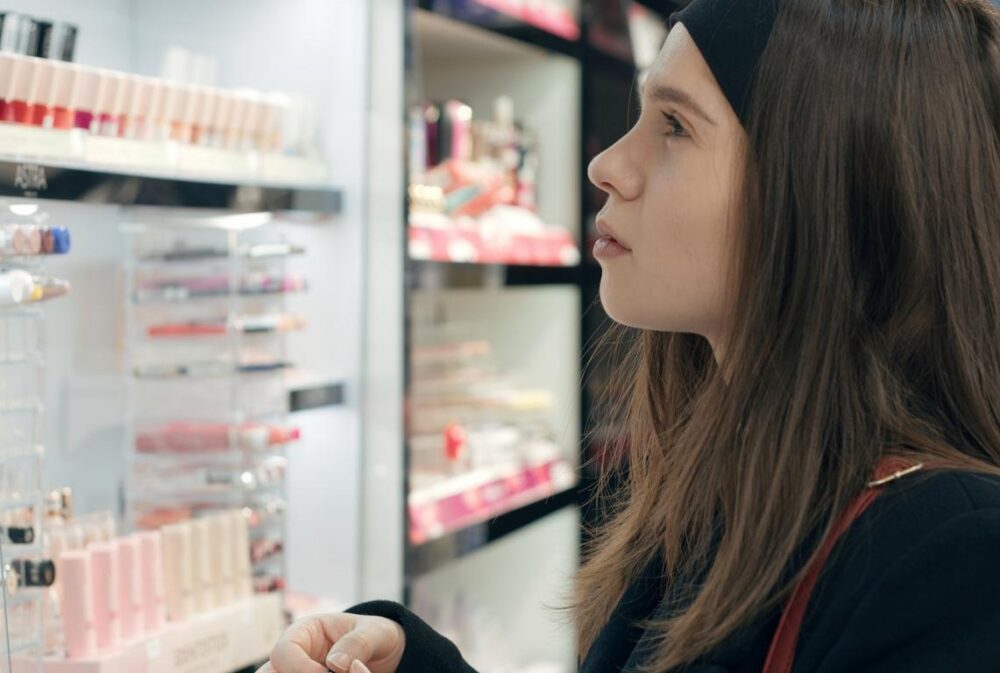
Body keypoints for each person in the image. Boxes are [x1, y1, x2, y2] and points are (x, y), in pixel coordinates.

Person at [259, 0, 1000, 671]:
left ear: (821, 189)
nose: (606, 164)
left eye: (675, 125)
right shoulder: (736, 479)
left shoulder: (957, 563)